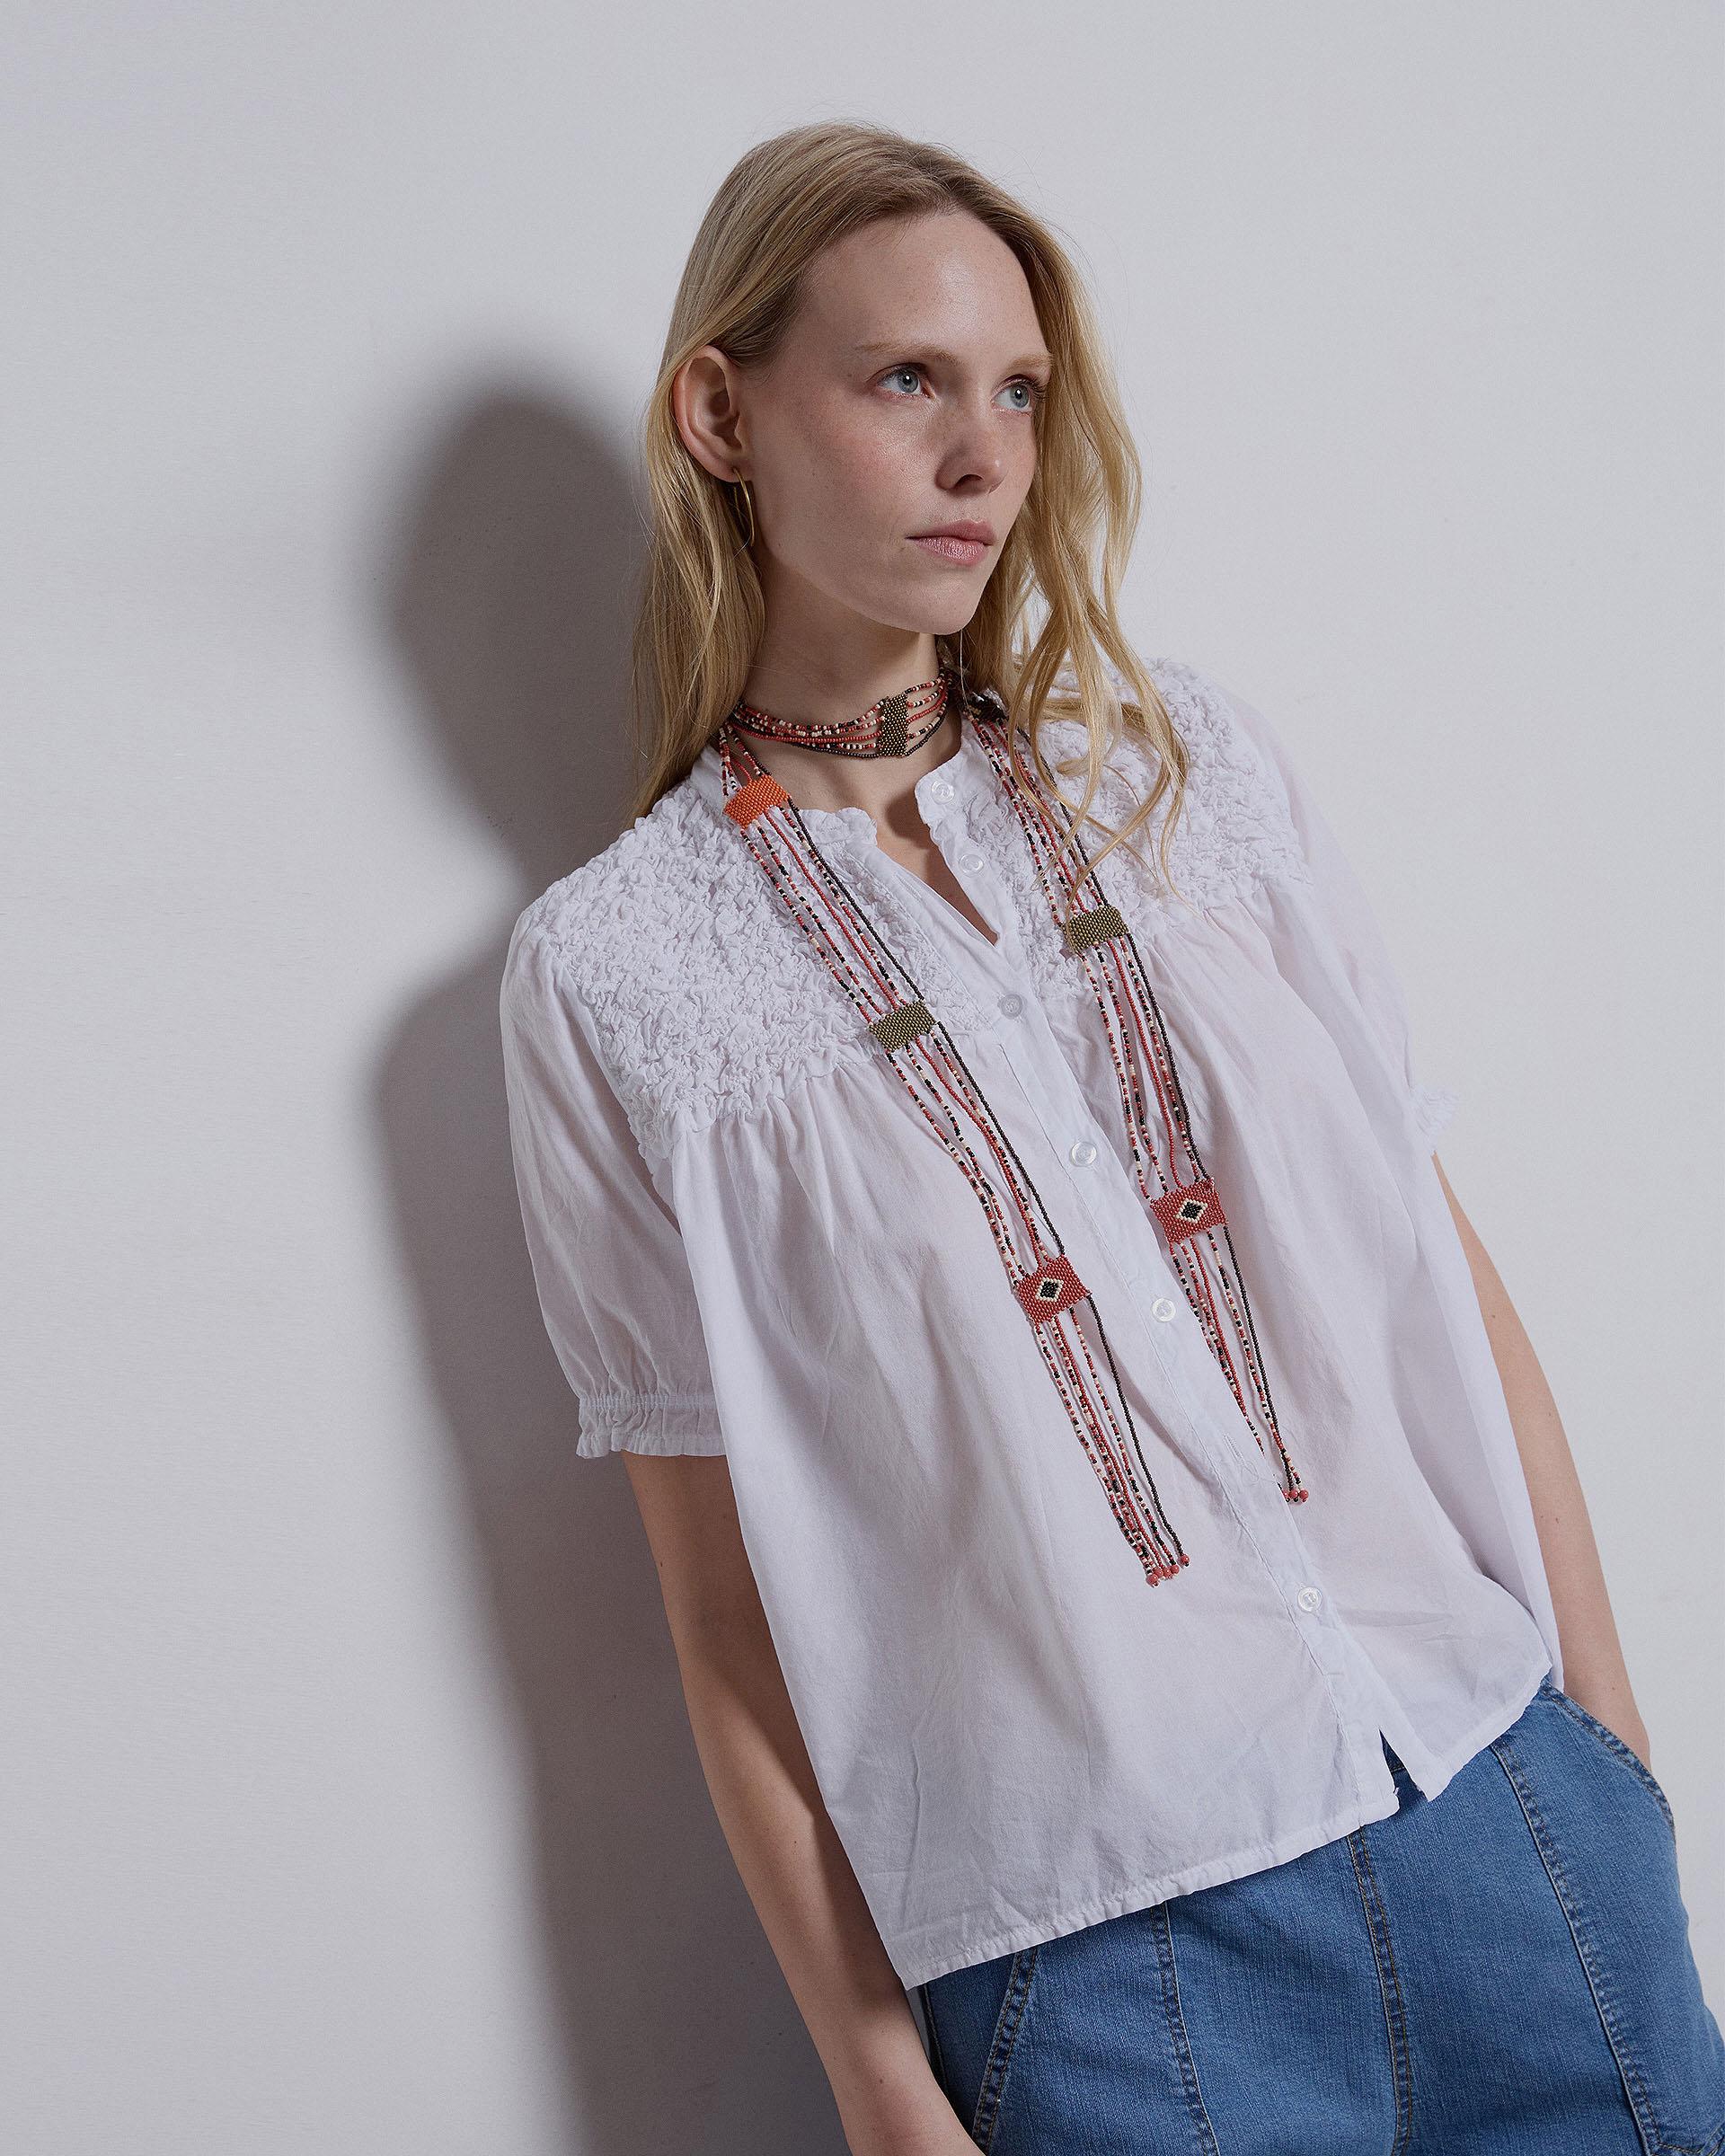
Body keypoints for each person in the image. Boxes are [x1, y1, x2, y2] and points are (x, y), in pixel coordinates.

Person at [498, 119, 1723, 2154]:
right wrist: (878, 2079)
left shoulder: (1186, 774)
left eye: (1018, 392)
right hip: (1115, 1976)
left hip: (1505, 1818)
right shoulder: (617, 972)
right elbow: (724, 1615)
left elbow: (1437, 1262)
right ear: (721, 413)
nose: (981, 455)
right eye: (908, 379)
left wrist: (1614, 1757)